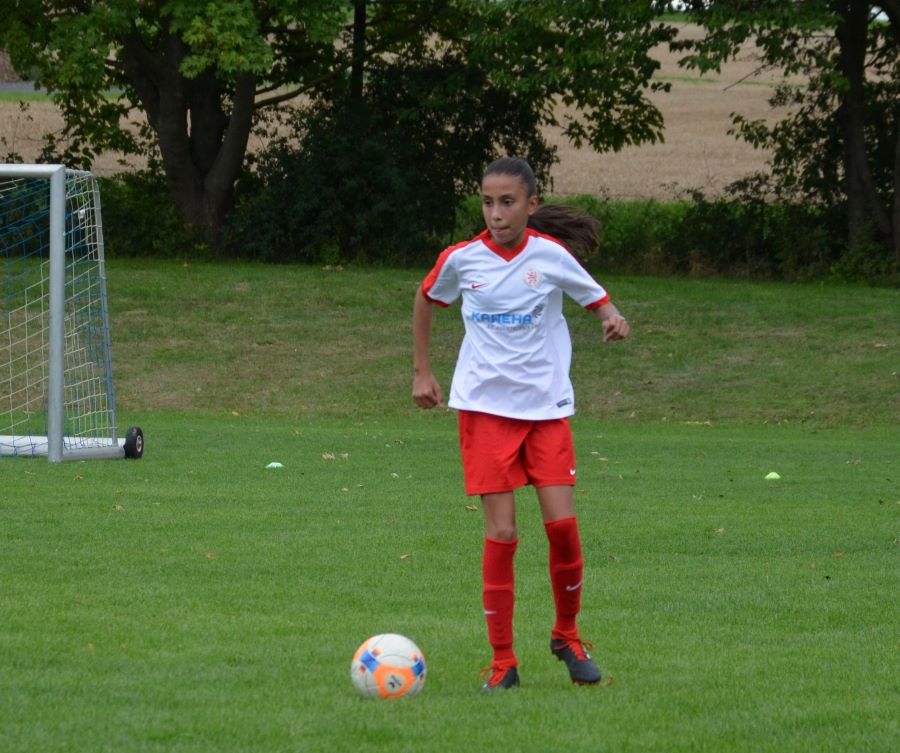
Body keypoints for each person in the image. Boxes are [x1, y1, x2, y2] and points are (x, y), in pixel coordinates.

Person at [412, 157, 630, 691]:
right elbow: (426, 296)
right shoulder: (461, 259)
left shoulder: (550, 255)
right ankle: (503, 662)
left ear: (530, 205)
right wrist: (422, 371)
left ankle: (567, 636)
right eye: (488, 202)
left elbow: (596, 299)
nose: (496, 213)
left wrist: (612, 319)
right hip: (485, 410)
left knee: (563, 528)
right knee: (503, 532)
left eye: (507, 202)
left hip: (545, 410)